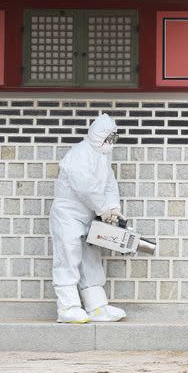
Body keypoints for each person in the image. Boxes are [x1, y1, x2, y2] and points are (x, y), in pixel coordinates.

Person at [50, 113, 127, 323]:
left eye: (113, 138)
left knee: (90, 259)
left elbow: (109, 182)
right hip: (68, 214)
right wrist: (103, 208)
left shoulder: (103, 156)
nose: (110, 142)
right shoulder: (79, 154)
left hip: (88, 214)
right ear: (98, 135)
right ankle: (68, 308)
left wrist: (112, 207)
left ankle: (97, 307)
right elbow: (86, 188)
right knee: (68, 257)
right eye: (108, 137)